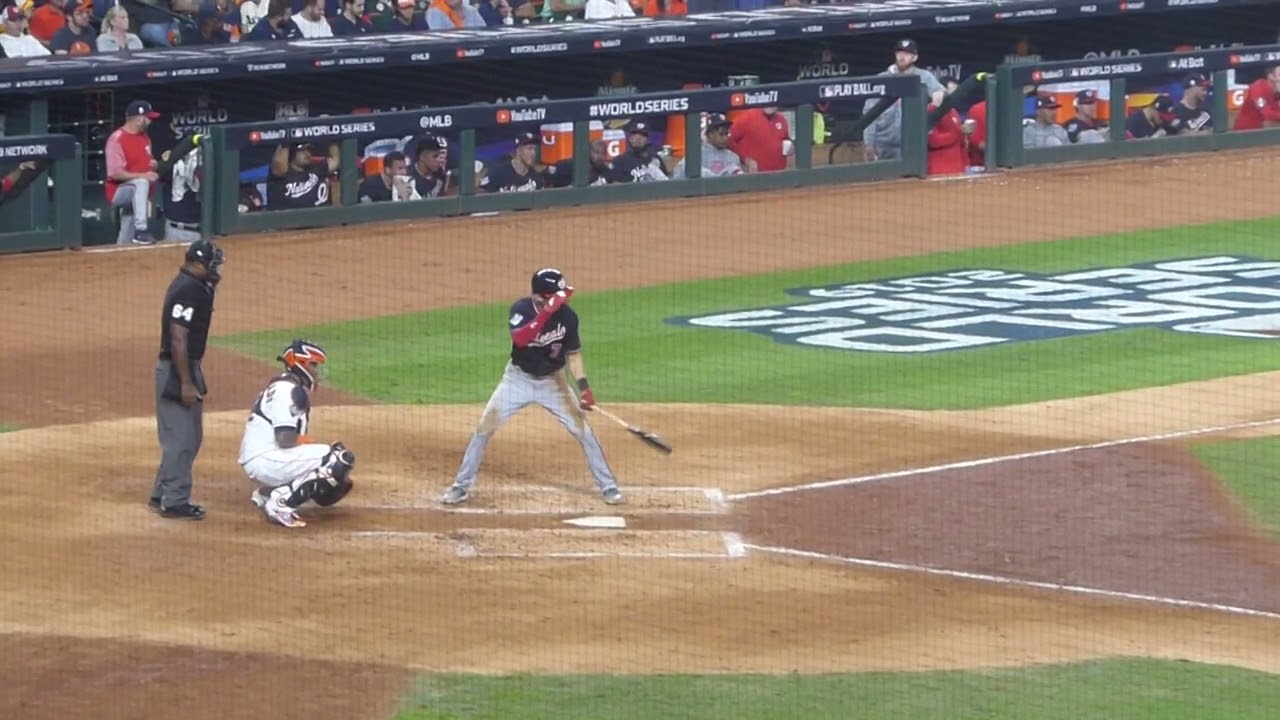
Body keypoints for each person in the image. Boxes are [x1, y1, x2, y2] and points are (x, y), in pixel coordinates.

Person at [440, 268, 625, 507]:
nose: (562, 299)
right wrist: (547, 312)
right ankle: (460, 487)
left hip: (554, 383)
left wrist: (584, 388)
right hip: (517, 380)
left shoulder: (568, 317)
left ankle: (608, 487)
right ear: (540, 296)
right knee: (484, 429)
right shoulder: (521, 310)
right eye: (555, 295)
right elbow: (521, 339)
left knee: (583, 432)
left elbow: (574, 355)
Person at [238, 340, 356, 529]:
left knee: (336, 475)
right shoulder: (287, 390)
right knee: (338, 460)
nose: (317, 371)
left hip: (264, 458)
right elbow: (284, 439)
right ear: (299, 363)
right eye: (313, 365)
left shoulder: (284, 386)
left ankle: (269, 492)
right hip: (266, 459)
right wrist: (319, 449)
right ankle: (280, 504)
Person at [149, 239, 225, 521]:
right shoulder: (187, 289)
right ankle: (174, 501)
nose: (216, 269)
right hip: (176, 368)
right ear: (198, 263)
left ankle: (162, 492)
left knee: (187, 437)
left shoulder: (194, 286)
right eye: (213, 263)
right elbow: (178, 337)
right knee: (181, 439)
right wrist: (185, 382)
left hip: (185, 366)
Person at [105, 99, 162, 245]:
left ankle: (119, 253)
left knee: (125, 239)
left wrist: (152, 164)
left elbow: (142, 162)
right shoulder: (117, 139)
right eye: (148, 118)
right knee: (141, 183)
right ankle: (141, 231)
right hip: (118, 191)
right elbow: (115, 174)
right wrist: (144, 176)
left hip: (137, 195)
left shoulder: (145, 138)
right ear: (139, 119)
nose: (150, 121)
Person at [673, 113, 744, 178]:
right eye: (721, 134)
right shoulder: (697, 155)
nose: (725, 138)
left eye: (727, 134)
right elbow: (678, 174)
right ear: (710, 134)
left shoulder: (733, 157)